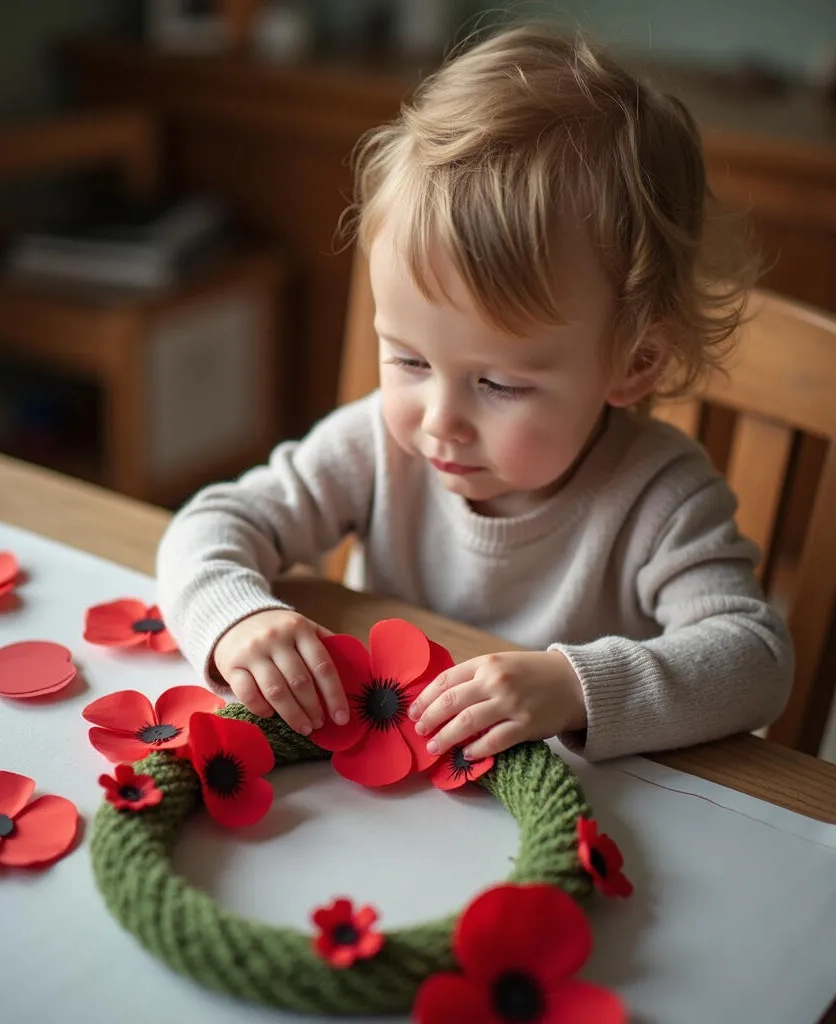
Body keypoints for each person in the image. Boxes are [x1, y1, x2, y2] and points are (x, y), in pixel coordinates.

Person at [155, 24, 792, 763]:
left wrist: (573, 687)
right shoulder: (374, 445)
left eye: (497, 383)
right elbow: (210, 525)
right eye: (409, 359)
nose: (440, 421)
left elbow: (755, 659)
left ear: (635, 361)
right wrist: (236, 619)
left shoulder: (662, 498)